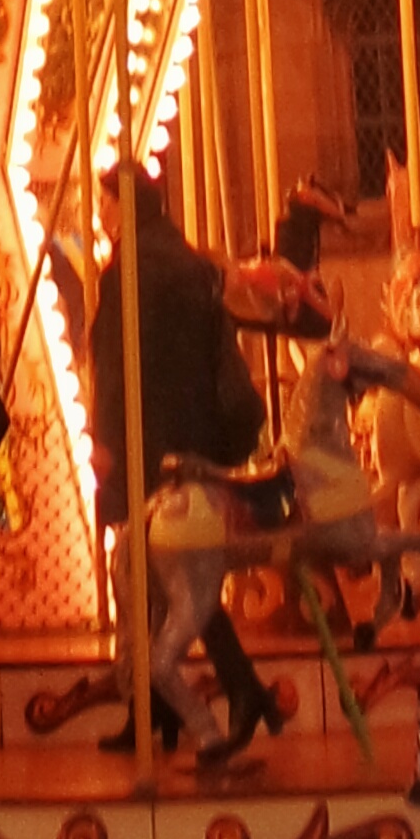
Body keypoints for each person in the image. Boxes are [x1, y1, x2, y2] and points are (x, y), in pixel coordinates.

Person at [83, 158, 285, 759]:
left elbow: (115, 365)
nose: (101, 214)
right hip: (194, 441)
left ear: (125, 205)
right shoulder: (190, 263)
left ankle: (232, 694)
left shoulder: (131, 270)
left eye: (105, 204)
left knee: (161, 578)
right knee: (172, 578)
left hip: (148, 443)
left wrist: (105, 439)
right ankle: (160, 711)